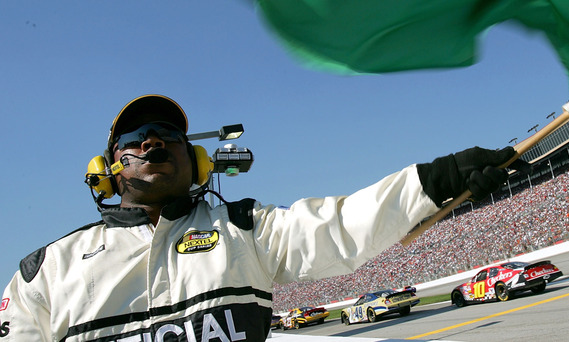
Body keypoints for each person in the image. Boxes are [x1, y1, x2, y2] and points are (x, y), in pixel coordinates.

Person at [0, 94, 524, 341]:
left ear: (199, 160)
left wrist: (438, 178)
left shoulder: (245, 229)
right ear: (108, 169)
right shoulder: (41, 272)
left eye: (168, 134)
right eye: (135, 140)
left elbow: (342, 227)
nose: (153, 141)